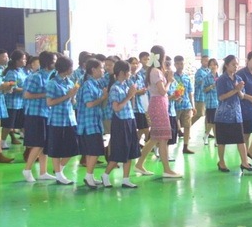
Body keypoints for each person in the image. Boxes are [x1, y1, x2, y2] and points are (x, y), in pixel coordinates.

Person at [134, 45, 180, 179]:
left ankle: (139, 164)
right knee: (163, 138)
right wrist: (169, 81)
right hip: (158, 105)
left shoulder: (156, 71)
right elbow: (163, 91)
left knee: (155, 137)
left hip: (160, 104)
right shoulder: (155, 71)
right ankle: (167, 169)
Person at [100, 60, 140, 189]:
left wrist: (132, 95)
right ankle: (105, 175)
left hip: (129, 119)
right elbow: (116, 107)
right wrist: (129, 96)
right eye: (128, 71)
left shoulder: (126, 86)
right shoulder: (115, 88)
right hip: (120, 122)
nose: (130, 74)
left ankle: (126, 179)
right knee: (119, 151)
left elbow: (130, 105)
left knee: (130, 151)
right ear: (122, 72)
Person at [212, 55, 252, 174]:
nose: (236, 67)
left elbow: (242, 96)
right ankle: (221, 162)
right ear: (226, 65)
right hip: (223, 116)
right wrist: (235, 90)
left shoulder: (238, 78)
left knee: (240, 140)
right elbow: (221, 97)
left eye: (237, 64)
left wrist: (239, 90)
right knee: (222, 141)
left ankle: (244, 162)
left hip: (237, 115)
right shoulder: (221, 80)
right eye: (233, 64)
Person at [44, 56, 80, 185]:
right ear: (66, 68)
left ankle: (59, 169)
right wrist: (67, 96)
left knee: (74, 147)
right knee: (57, 149)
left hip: (70, 119)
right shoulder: (52, 83)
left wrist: (73, 96)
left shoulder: (69, 82)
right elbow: (49, 102)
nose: (72, 69)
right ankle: (59, 175)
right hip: (57, 120)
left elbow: (72, 102)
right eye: (71, 67)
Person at [21, 50, 56, 182]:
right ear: (47, 63)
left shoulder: (51, 76)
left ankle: (43, 172)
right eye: (54, 61)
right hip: (35, 113)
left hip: (46, 113)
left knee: (44, 144)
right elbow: (27, 95)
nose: (56, 64)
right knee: (38, 143)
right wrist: (46, 95)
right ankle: (27, 169)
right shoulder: (36, 77)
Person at [75, 58, 109, 189]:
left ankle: (89, 176)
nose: (103, 70)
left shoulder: (95, 83)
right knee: (94, 151)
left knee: (91, 151)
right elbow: (89, 104)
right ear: (93, 70)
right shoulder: (88, 85)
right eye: (101, 68)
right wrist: (102, 98)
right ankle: (89, 176)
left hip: (94, 122)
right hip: (89, 124)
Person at [172, 55, 195, 155]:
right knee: (172, 125)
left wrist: (193, 106)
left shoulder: (187, 77)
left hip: (186, 105)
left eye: (181, 63)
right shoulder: (172, 77)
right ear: (174, 64)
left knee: (187, 126)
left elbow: (190, 92)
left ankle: (185, 146)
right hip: (175, 105)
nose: (180, 65)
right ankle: (167, 146)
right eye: (177, 63)